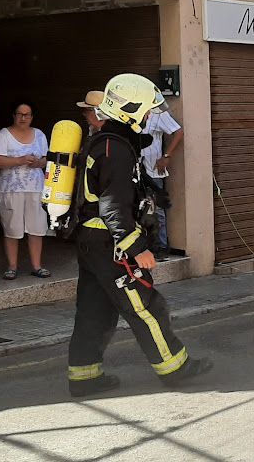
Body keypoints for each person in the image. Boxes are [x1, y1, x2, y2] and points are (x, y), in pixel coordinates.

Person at [67, 73, 211, 397]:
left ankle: (84, 376)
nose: (148, 117)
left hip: (93, 243)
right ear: (130, 110)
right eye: (145, 111)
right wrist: (136, 248)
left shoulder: (106, 141)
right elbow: (113, 206)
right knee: (146, 306)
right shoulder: (114, 149)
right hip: (110, 243)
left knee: (95, 311)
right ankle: (175, 367)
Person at [0, 102, 50, 280]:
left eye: (27, 114)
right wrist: (20, 160)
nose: (23, 118)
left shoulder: (39, 134)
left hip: (36, 188)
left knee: (37, 228)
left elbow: (48, 158)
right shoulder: (4, 135)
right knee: (12, 228)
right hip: (11, 189)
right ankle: (12, 267)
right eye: (20, 114)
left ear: (32, 117)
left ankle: (37, 266)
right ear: (14, 115)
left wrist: (40, 163)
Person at [141, 109, 183, 261]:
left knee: (156, 209)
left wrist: (166, 156)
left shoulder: (158, 113)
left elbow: (178, 132)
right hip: (136, 170)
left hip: (153, 171)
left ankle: (161, 246)